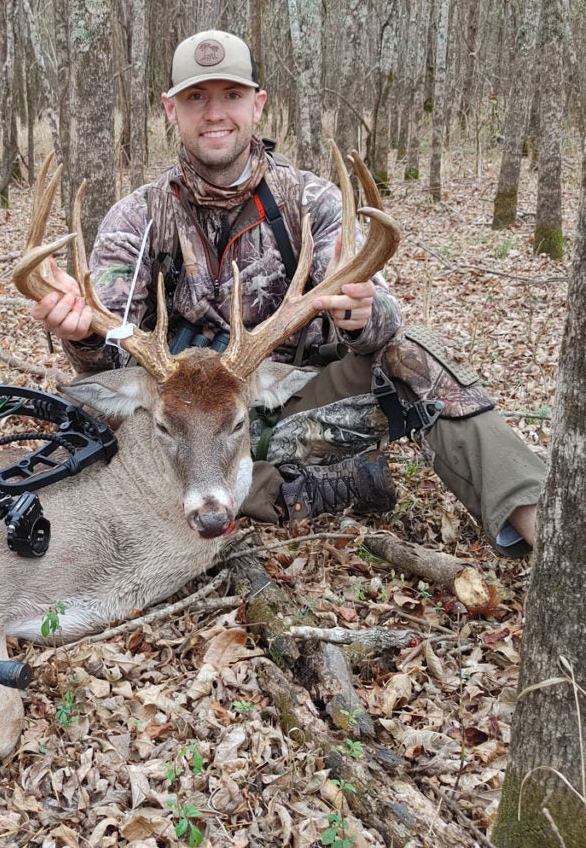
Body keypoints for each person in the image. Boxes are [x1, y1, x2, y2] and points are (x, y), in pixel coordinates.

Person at [30, 29, 544, 557]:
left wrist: (363, 314)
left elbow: (383, 311)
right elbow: (106, 359)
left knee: (415, 354)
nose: (215, 114)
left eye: (231, 96)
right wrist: (81, 334)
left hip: (292, 401)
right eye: (196, 98)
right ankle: (305, 487)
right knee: (90, 430)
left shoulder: (313, 201)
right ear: (171, 109)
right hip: (179, 429)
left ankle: (545, 530)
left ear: (258, 104)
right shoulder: (135, 220)